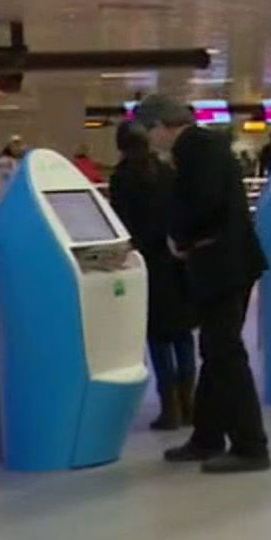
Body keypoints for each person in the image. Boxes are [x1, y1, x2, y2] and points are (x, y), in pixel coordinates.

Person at [133, 94, 271, 474]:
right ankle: (207, 437)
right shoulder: (207, 145)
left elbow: (203, 203)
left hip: (222, 265)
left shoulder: (195, 149)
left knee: (225, 353)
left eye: (149, 131)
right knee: (214, 350)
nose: (150, 141)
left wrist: (178, 236)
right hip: (231, 262)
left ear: (161, 125)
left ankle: (251, 445)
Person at [106, 121, 194, 431]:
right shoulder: (167, 171)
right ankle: (189, 404)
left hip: (148, 263)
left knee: (158, 336)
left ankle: (170, 407)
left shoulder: (122, 177)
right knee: (183, 333)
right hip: (175, 259)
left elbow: (121, 223)